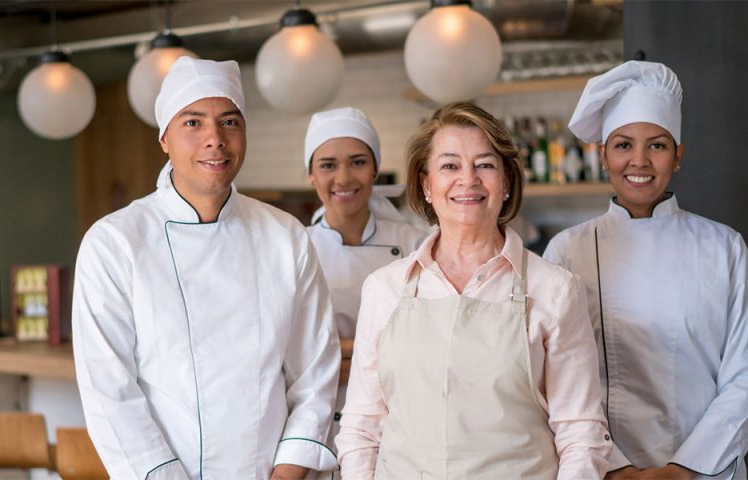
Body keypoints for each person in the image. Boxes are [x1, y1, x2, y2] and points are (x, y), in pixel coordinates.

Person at [72, 57, 341, 480]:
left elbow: (316, 374)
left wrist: (287, 474)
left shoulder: (286, 237)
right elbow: (109, 392)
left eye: (230, 122)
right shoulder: (115, 243)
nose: (215, 139)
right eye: (193, 122)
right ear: (164, 138)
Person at [335, 101, 612, 479]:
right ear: (426, 185)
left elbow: (581, 433)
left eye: (484, 164)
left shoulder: (555, 290)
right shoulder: (384, 289)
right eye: (450, 165)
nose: (468, 179)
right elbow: (362, 429)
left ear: (507, 181)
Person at [543, 61, 748, 479]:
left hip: (710, 469)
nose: (639, 161)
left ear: (678, 156)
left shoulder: (724, 246)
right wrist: (619, 469)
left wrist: (682, 469)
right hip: (602, 469)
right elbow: (553, 378)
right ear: (602, 155)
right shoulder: (567, 250)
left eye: (657, 145)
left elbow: (744, 375)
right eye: (622, 145)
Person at [303, 106, 427, 449]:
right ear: (310, 174)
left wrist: (346, 357)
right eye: (328, 165)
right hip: (320, 421)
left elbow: (432, 343)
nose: (343, 178)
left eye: (358, 162)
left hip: (401, 419)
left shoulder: (416, 245)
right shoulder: (295, 248)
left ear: (375, 170)